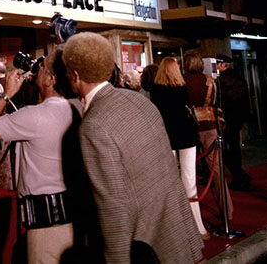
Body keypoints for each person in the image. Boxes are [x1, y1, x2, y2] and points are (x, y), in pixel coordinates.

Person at [63, 32, 203, 264]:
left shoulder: (94, 126)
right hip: (178, 236)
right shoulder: (139, 101)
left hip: (147, 248)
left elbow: (113, 207)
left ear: (76, 75)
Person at [0, 48, 80, 264]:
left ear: (51, 79)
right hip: (73, 218)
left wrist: (7, 93)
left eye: (42, 66)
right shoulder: (76, 109)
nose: (37, 68)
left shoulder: (34, 116)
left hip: (46, 224)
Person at [151, 57, 209, 238]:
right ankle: (198, 227)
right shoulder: (182, 89)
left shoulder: (156, 90)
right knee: (189, 180)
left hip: (166, 136)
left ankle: (173, 229)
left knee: (169, 181)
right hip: (186, 135)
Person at [183, 51, 233, 221]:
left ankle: (193, 215)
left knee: (190, 172)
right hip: (210, 125)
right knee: (217, 169)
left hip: (190, 128)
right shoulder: (209, 81)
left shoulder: (182, 81)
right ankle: (227, 209)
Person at [216, 54, 252, 189]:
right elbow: (244, 100)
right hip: (237, 119)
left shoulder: (221, 81)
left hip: (225, 119)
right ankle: (240, 176)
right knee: (235, 147)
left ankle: (239, 175)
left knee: (224, 149)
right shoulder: (239, 79)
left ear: (222, 65)